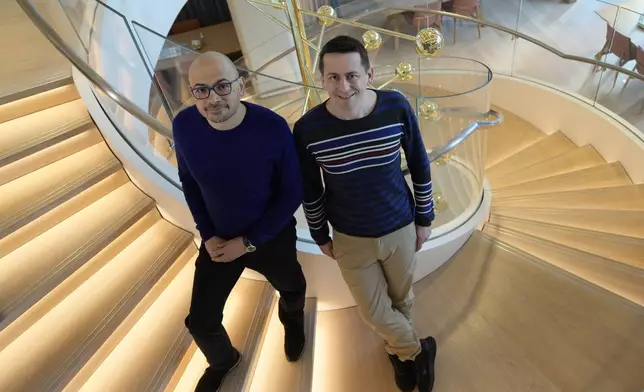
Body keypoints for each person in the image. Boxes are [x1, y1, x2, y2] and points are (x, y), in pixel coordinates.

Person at [293, 36, 437, 392]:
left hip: (400, 225)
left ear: (369, 74)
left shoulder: (396, 107)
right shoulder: (308, 129)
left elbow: (419, 164)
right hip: (350, 236)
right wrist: (319, 234)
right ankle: (418, 351)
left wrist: (425, 218)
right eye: (333, 77)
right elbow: (311, 188)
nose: (343, 86)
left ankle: (400, 356)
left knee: (402, 299)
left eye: (352, 75)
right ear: (322, 79)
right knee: (373, 311)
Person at [172, 51, 307, 392]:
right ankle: (224, 360)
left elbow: (292, 193)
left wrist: (247, 243)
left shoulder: (272, 127)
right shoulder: (184, 125)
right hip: (218, 237)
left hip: (269, 234)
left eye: (222, 86)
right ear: (192, 93)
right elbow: (189, 181)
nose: (213, 98)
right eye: (201, 90)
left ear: (240, 86)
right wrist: (208, 233)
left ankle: (292, 319)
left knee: (292, 287)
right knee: (200, 322)